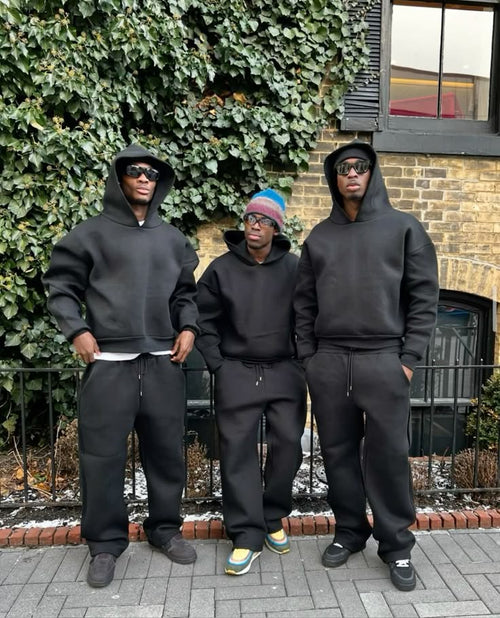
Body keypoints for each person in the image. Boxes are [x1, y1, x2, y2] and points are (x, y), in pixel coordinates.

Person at [43, 144, 199, 588]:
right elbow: (60, 288)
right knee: (101, 458)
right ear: (119, 178)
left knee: (167, 454)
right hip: (109, 364)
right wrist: (77, 330)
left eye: (153, 172)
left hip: (163, 363)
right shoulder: (89, 235)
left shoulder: (173, 239)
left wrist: (189, 327)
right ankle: (105, 543)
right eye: (135, 170)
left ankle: (164, 529)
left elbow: (185, 294)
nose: (145, 178)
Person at [294, 140, 439, 591]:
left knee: (388, 457)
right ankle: (349, 532)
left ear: (372, 173)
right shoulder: (319, 237)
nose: (352, 173)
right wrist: (310, 359)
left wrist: (408, 360)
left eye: (359, 166)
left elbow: (424, 298)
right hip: (330, 362)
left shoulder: (404, 228)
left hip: (384, 359)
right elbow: (303, 304)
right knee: (337, 453)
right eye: (343, 168)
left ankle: (396, 545)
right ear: (334, 179)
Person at [196, 189, 307, 576]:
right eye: (250, 219)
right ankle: (245, 534)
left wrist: (302, 361)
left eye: (264, 221)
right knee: (237, 454)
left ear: (277, 229)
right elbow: (203, 320)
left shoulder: (295, 269)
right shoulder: (220, 270)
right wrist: (218, 365)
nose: (255, 226)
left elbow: (309, 317)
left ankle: (272, 515)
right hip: (237, 371)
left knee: (288, 447)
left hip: (284, 371)